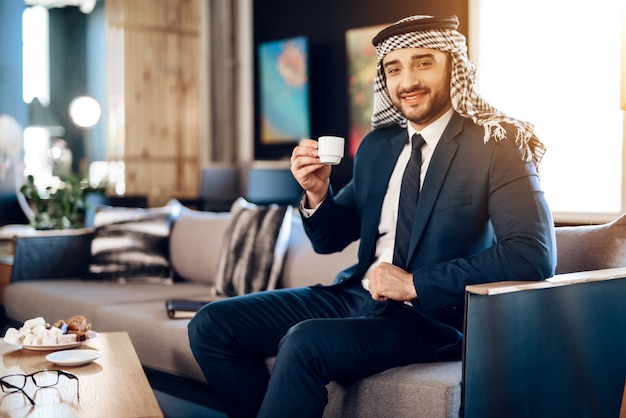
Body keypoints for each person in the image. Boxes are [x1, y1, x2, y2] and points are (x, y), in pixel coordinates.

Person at [188, 14, 556, 418]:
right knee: (211, 325)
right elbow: (330, 238)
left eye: (423, 62)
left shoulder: (496, 143)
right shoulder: (378, 147)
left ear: (453, 65)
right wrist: (316, 193)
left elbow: (532, 253)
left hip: (429, 319)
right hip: (356, 296)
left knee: (304, 341)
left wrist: (415, 282)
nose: (407, 81)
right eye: (394, 69)